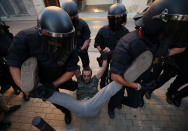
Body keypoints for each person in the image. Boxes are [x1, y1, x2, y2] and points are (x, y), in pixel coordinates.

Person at [109, 0, 188, 118]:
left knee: (135, 103)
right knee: (116, 98)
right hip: (122, 78)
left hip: (138, 79)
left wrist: (160, 56)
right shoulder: (126, 43)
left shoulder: (161, 41)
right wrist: (136, 86)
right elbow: (114, 76)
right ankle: (112, 106)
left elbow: (181, 47)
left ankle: (121, 101)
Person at [7, 6, 79, 125]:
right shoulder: (24, 38)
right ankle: (66, 112)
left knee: (75, 87)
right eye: (54, 40)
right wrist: (25, 88)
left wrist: (54, 84)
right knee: (58, 102)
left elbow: (72, 68)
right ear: (41, 33)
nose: (59, 44)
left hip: (62, 77)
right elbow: (13, 65)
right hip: (43, 82)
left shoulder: (67, 40)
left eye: (62, 40)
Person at [94, 3, 129, 89]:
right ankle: (103, 85)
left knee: (115, 73)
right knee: (104, 72)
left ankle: (112, 85)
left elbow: (127, 48)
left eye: (118, 19)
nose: (116, 21)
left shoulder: (125, 32)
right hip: (105, 56)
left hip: (117, 57)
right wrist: (102, 52)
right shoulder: (103, 30)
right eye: (114, 19)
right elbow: (97, 43)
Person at [62, 0, 91, 69]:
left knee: (86, 65)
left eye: (73, 18)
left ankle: (87, 77)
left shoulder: (83, 24)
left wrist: (82, 49)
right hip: (69, 51)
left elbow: (87, 39)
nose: (71, 20)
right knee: (73, 67)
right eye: (69, 19)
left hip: (81, 49)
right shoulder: (62, 25)